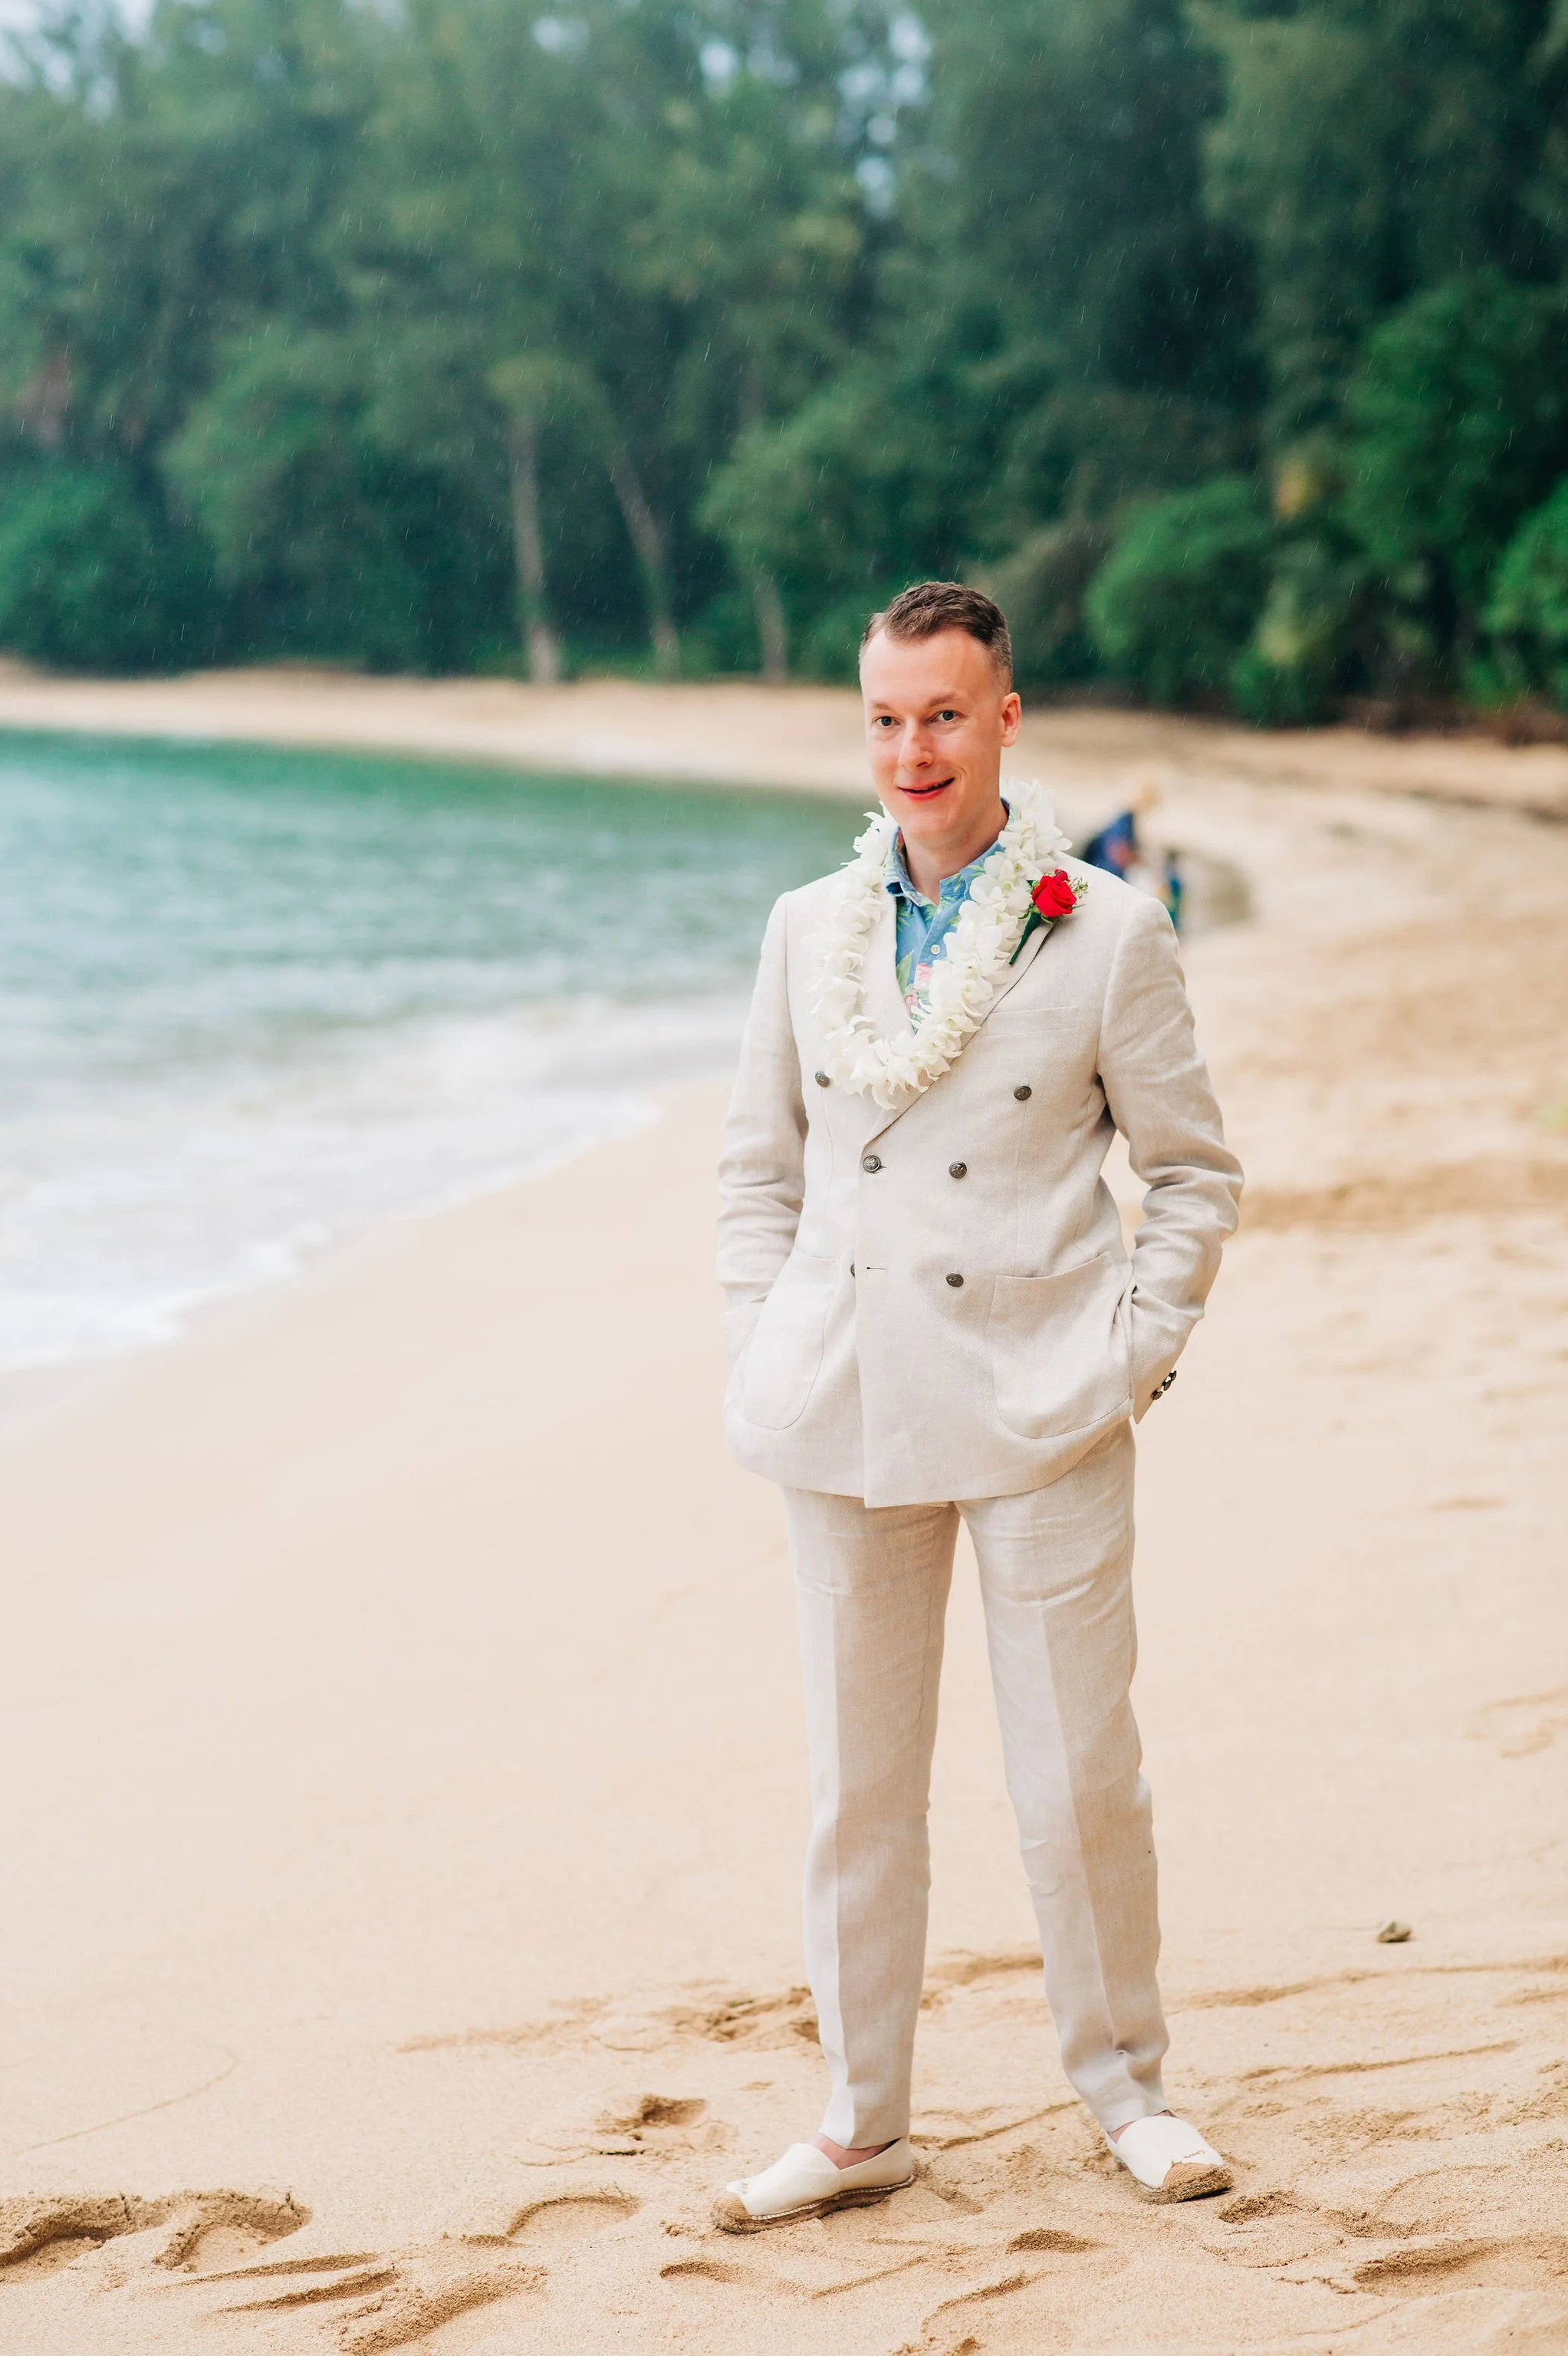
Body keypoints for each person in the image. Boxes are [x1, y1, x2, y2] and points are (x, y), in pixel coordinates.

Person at [713, 581, 1243, 2231]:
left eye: (941, 713)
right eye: (883, 716)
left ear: (1003, 717)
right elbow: (756, 1170)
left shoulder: (1106, 928)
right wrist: (763, 1340)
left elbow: (1193, 1174)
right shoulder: (809, 927)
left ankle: (1126, 2090)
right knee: (858, 1788)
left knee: (1077, 1777)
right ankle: (865, 2119)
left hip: (1042, 1406)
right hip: (844, 1407)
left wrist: (1127, 1359)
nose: (910, 747)